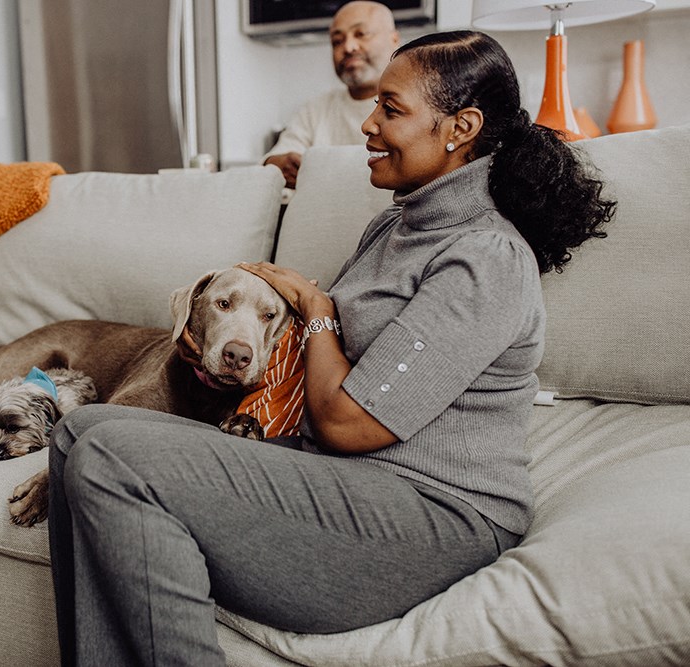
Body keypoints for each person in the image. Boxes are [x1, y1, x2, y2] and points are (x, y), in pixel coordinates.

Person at [47, 30, 615, 666]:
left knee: (109, 453)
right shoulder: (395, 225)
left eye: (391, 110)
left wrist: (316, 308)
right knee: (79, 433)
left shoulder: (485, 257)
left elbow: (348, 422)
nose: (368, 125)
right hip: (339, 483)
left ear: (461, 127)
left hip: (430, 519)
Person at [263, 1, 400, 188]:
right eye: (337, 41)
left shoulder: (416, 105)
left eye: (361, 34)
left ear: (394, 40)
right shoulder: (316, 110)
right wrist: (275, 164)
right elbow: (273, 162)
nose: (349, 47)